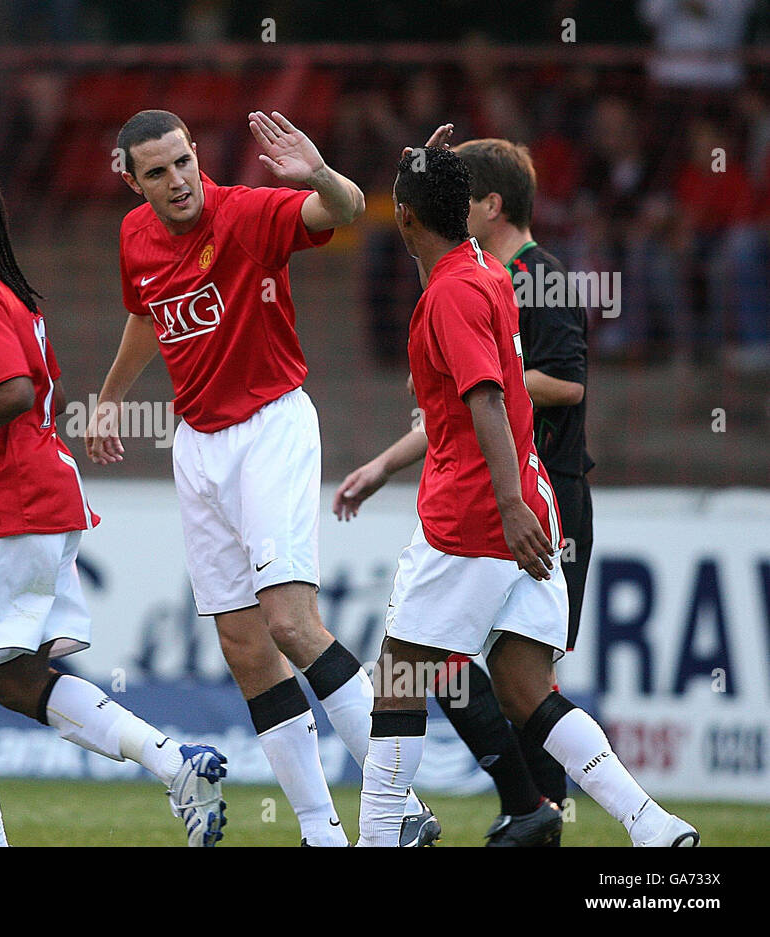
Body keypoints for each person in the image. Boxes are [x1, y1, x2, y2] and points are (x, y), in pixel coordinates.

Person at [86, 109, 436, 846]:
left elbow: (337, 212)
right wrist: (111, 398)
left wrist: (322, 175)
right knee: (247, 648)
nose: (178, 180)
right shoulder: (134, 238)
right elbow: (147, 314)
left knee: (289, 623)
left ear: (195, 153)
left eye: (183, 160)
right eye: (157, 171)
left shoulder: (245, 213)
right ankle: (321, 830)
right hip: (198, 443)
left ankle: (397, 803)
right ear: (131, 180)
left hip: (271, 427)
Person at [352, 144, 696, 848]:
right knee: (523, 686)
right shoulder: (483, 268)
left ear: (407, 217)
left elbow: (484, 395)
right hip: (534, 504)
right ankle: (650, 823)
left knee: (396, 674)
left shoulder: (448, 291)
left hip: (476, 513)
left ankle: (380, 836)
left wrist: (506, 505)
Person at [0, 159, 228, 847]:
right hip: (42, 495)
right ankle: (176, 763)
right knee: (14, 678)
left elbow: (13, 391)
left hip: (5, 504)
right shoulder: (8, 291)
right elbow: (49, 402)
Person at [336, 134, 594, 845]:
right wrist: (389, 461)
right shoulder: (479, 271)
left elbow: (560, 382)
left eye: (464, 193)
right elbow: (465, 391)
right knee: (469, 672)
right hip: (505, 484)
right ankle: (536, 809)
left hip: (543, 491)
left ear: (491, 204)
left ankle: (538, 810)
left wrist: (497, 377)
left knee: (508, 680)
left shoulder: (538, 277)